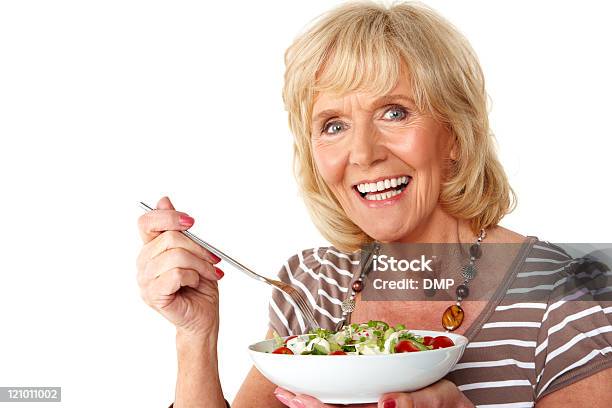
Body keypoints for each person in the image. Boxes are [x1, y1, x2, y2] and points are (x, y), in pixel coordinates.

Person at [135, 1, 612, 407]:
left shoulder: (566, 292)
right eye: (333, 124)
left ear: (455, 134)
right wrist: (195, 337)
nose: (363, 153)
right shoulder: (313, 286)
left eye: (395, 112)